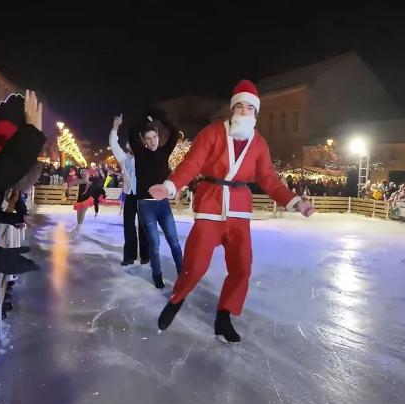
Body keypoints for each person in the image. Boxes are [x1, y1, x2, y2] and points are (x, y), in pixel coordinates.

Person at [149, 80, 314, 343]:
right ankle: (177, 299)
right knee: (196, 264)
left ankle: (224, 315)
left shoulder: (259, 144)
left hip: (239, 210)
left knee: (242, 267)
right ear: (232, 109)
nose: (244, 111)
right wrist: (170, 186)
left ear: (256, 114)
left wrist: (296, 202)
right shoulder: (212, 133)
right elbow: (192, 164)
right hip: (211, 206)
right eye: (240, 106)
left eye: (250, 108)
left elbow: (269, 180)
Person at [129, 108, 183, 288]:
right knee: (154, 242)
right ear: (144, 141)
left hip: (163, 205)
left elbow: (174, 133)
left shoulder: (163, 152)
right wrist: (144, 118)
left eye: (155, 137)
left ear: (159, 138)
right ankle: (157, 275)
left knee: (174, 240)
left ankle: (182, 272)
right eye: (149, 138)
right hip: (146, 205)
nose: (152, 141)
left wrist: (162, 118)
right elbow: (131, 132)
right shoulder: (140, 153)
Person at [109, 115, 150, 266]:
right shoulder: (123, 158)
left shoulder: (145, 158)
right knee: (128, 226)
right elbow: (113, 143)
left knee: (144, 225)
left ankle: (146, 255)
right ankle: (129, 256)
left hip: (143, 196)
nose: (130, 143)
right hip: (129, 195)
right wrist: (115, 127)